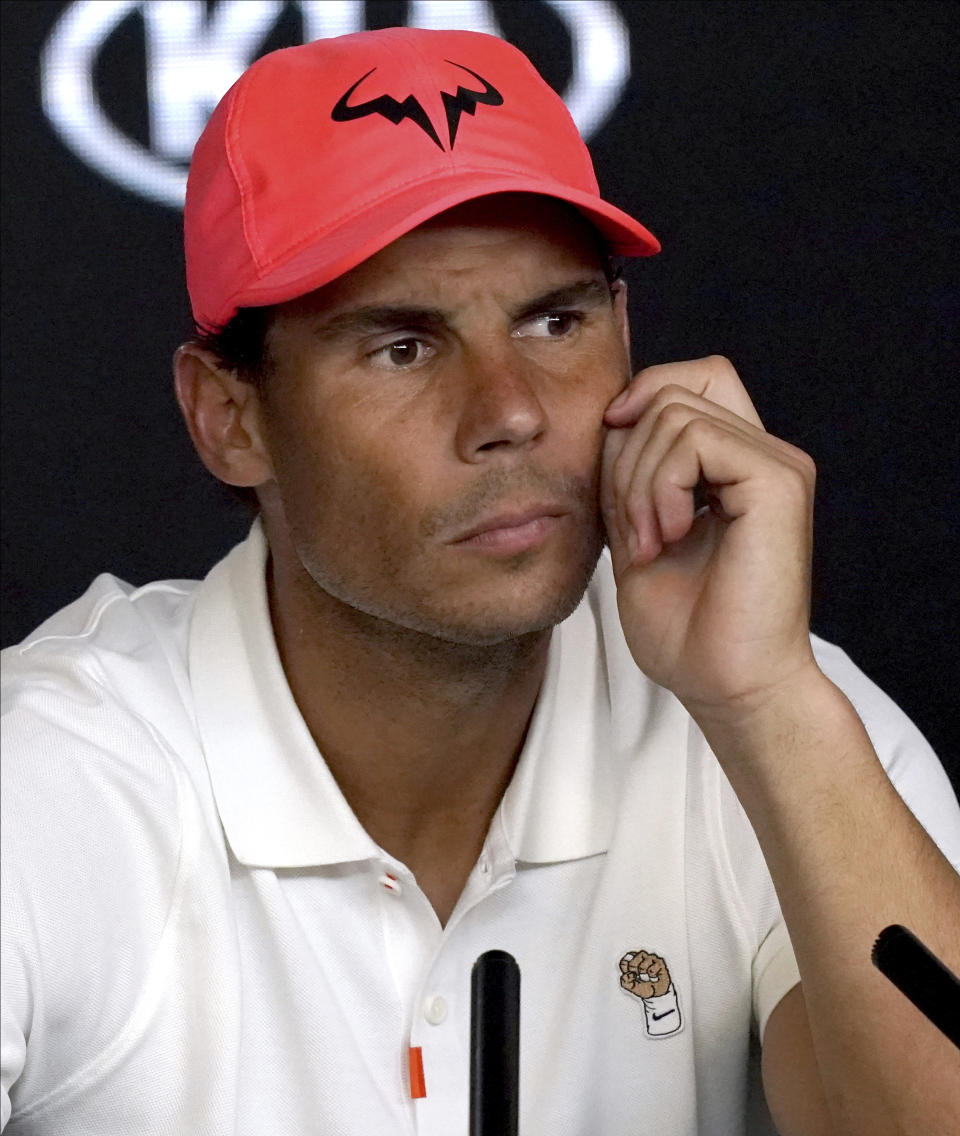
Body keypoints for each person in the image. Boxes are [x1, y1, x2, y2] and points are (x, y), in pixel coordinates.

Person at [2, 26, 958, 1136]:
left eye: (557, 321)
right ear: (232, 415)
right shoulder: (57, 778)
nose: (510, 409)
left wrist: (768, 702)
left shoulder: (774, 718)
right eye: (402, 346)